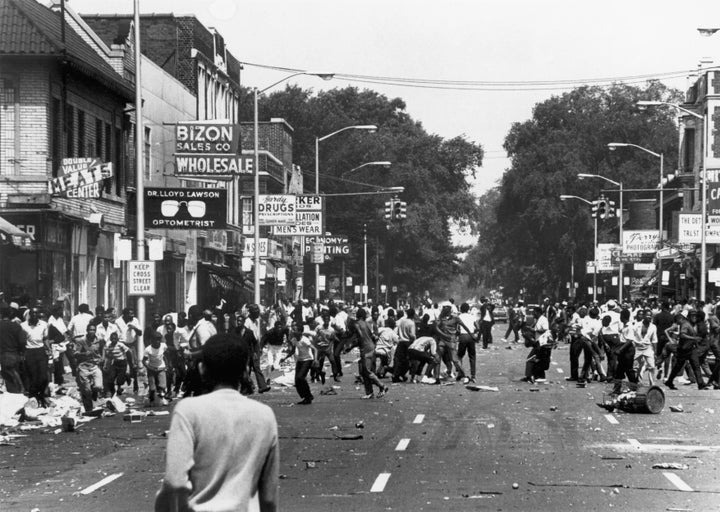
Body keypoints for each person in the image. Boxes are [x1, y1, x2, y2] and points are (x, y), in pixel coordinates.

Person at [155, 334, 279, 512]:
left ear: (202, 369)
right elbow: (268, 497)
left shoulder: (188, 410)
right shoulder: (265, 415)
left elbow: (175, 483)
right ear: (244, 372)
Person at [346, 308, 388, 398]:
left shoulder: (357, 324)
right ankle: (369, 392)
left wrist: (351, 346)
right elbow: (374, 337)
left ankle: (382, 386)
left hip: (365, 349)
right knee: (365, 371)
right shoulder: (368, 324)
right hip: (371, 347)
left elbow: (360, 337)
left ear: (358, 315)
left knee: (367, 371)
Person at [664, 309, 708, 390]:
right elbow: (682, 335)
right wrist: (693, 338)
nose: (694, 317)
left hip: (691, 349)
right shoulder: (685, 324)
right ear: (688, 317)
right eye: (692, 315)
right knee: (678, 367)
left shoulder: (692, 324)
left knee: (696, 366)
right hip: (684, 350)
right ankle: (669, 381)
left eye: (695, 315)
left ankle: (701, 384)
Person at [20, 307, 50, 406]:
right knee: (32, 375)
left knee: (43, 376)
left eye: (36, 313)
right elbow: (21, 340)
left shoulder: (44, 324)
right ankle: (34, 397)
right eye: (32, 313)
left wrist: (49, 349)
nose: (34, 315)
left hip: (40, 351)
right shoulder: (23, 325)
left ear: (38, 314)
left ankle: (41, 394)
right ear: (29, 314)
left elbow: (45, 338)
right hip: (29, 351)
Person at [282, 323, 317, 404]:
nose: (293, 331)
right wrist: (285, 358)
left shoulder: (305, 340)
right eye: (293, 329)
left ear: (300, 332)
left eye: (295, 330)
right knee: (297, 381)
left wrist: (315, 360)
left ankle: (309, 395)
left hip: (308, 360)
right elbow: (293, 351)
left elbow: (315, 349)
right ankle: (306, 398)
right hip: (300, 360)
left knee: (300, 377)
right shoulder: (294, 340)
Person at [73, 323, 105, 412]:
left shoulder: (99, 340)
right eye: (90, 330)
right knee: (86, 391)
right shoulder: (81, 341)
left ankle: (94, 393)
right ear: (87, 331)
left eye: (94, 330)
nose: (92, 332)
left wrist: (102, 358)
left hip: (94, 366)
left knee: (98, 386)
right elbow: (75, 354)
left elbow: (103, 349)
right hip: (83, 366)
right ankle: (89, 409)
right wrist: (83, 354)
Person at [0, 306, 26, 393]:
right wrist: (22, 352)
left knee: (8, 379)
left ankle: (18, 391)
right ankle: (20, 391)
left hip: (3, 354)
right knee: (14, 374)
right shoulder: (16, 326)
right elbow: (22, 341)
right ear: (11, 314)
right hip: (14, 354)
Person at [392, 307, 416, 382]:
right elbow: (412, 334)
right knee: (408, 361)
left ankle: (397, 374)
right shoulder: (411, 323)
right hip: (408, 342)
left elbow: (399, 331)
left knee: (399, 360)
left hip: (401, 342)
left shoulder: (402, 321)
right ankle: (401, 374)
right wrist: (415, 338)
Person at [456, 302, 478, 383]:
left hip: (462, 337)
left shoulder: (459, 317)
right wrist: (472, 332)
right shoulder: (472, 317)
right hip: (471, 337)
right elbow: (478, 327)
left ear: (461, 309)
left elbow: (457, 329)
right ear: (468, 309)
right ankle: (473, 376)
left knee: (459, 356)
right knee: (472, 356)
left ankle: (460, 373)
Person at [103, 331, 130, 396]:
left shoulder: (120, 345)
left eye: (115, 339)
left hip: (122, 363)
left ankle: (119, 388)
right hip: (115, 363)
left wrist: (130, 362)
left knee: (120, 378)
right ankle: (112, 390)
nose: (113, 340)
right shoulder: (109, 346)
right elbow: (108, 355)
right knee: (111, 376)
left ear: (117, 339)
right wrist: (106, 364)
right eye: (112, 339)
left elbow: (128, 351)